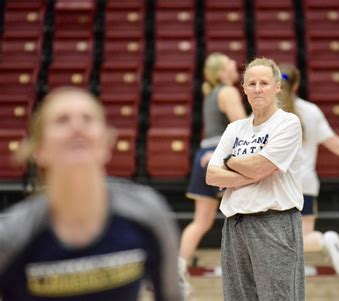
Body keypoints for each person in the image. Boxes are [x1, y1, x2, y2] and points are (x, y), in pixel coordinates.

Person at [0, 87, 182, 301]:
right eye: (62, 120)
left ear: (106, 143)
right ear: (40, 150)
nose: (77, 127)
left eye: (87, 118)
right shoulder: (13, 234)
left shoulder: (148, 213)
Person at [206, 58, 305, 300]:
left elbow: (261, 167)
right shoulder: (235, 128)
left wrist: (230, 161)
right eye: (252, 83)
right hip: (235, 225)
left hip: (275, 223)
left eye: (264, 83)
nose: (258, 88)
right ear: (244, 88)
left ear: (277, 87)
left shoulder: (288, 123)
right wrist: (252, 171)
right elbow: (211, 175)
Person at [278, 64, 339, 275]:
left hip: (277, 184)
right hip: (306, 182)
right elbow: (332, 141)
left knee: (274, 238)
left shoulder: (266, 111)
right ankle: (323, 241)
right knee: (303, 236)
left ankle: (320, 245)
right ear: (296, 85)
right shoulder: (311, 111)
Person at [178, 53, 246, 294]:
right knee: (245, 213)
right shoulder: (227, 91)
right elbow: (241, 128)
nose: (233, 64)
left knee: (201, 221)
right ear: (220, 72)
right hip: (220, 154)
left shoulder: (212, 93)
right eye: (228, 62)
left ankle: (177, 271)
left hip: (205, 153)